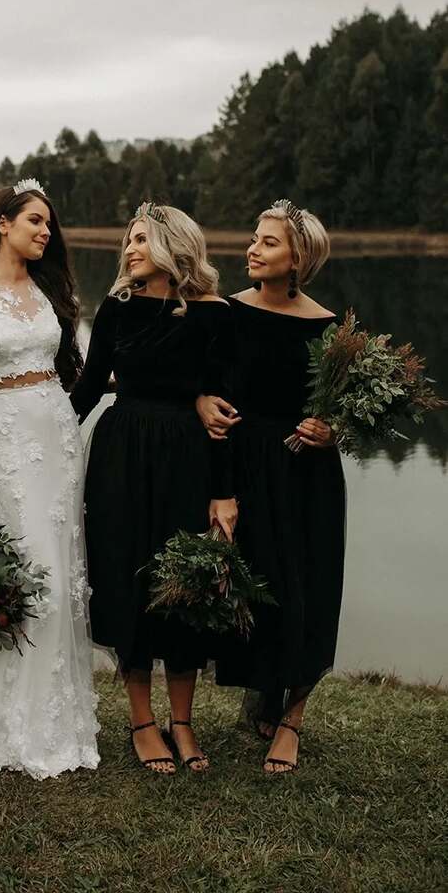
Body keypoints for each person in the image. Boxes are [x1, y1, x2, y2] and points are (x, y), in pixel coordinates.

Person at [0, 180, 99, 778]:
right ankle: (8, 724)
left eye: (49, 226)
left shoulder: (47, 291)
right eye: (34, 221)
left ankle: (60, 721)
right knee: (29, 575)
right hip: (3, 437)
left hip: (57, 435)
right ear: (2, 223)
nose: (44, 232)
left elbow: (72, 370)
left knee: (63, 570)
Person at [71, 202, 235, 773]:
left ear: (172, 246)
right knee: (128, 578)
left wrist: (223, 491)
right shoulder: (115, 309)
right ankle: (142, 720)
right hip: (121, 455)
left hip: (188, 456)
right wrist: (34, 433)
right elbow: (90, 388)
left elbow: (221, 403)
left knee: (182, 585)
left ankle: (182, 722)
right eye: (129, 239)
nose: (130, 248)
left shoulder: (214, 314)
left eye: (141, 239)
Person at [197, 199, 342, 773]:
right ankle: (264, 695)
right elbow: (205, 386)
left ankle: (292, 719)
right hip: (248, 465)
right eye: (254, 238)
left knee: (308, 586)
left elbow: (341, 411)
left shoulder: (328, 327)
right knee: (260, 586)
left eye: (268, 242)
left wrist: (331, 429)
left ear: (298, 259)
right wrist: (199, 399)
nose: (252, 249)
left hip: (308, 474)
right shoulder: (227, 314)